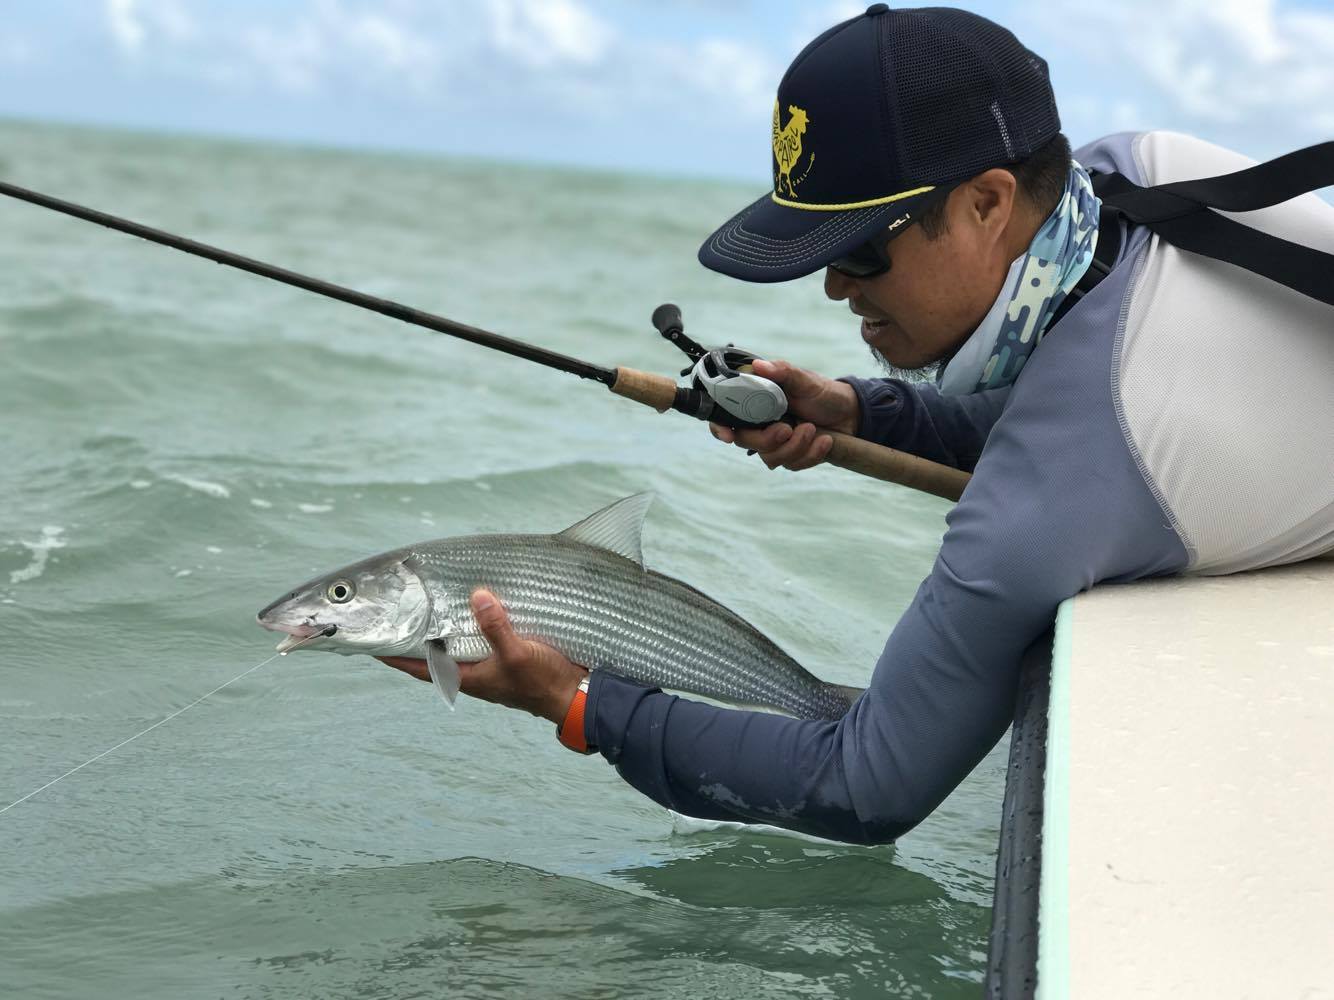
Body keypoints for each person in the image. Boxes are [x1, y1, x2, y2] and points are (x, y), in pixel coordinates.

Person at [379, 6, 1334, 843]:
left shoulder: (1057, 495)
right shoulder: (1134, 172)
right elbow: (1095, 400)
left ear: (989, 201)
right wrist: (861, 410)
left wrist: (576, 700)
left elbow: (862, 784)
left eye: (860, 252)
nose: (834, 286)